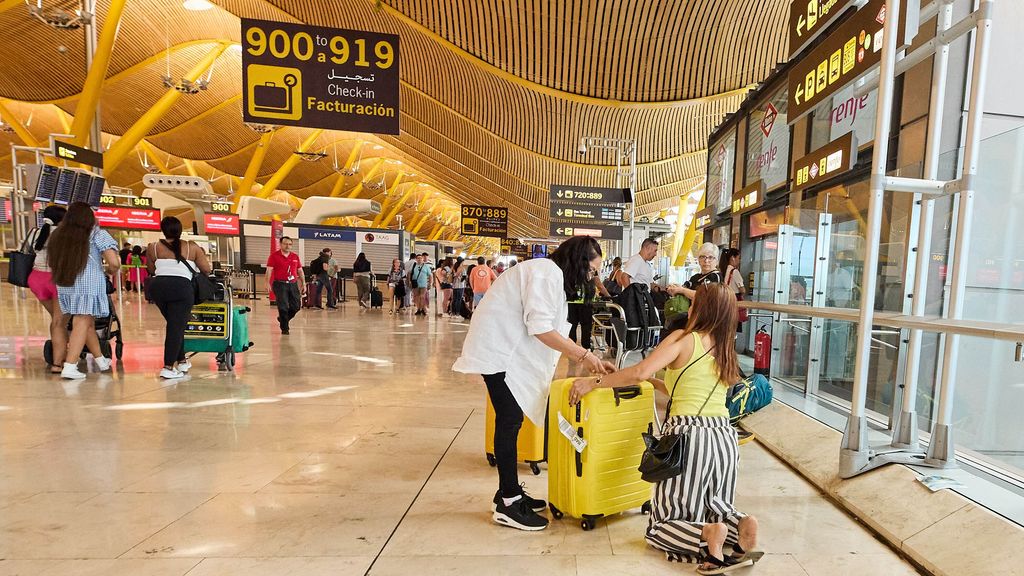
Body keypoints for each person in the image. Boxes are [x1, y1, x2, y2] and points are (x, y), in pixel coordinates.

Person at [569, 284, 761, 572]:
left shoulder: (683, 339)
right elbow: (678, 388)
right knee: (714, 505)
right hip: (723, 438)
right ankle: (740, 524)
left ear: (700, 308)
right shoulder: (725, 349)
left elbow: (639, 371)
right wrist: (646, 382)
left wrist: (591, 382)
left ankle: (707, 535)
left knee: (661, 524)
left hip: (689, 436)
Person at [453, 235, 615, 532]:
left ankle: (507, 491)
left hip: (506, 351)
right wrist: (586, 356)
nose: (592, 278)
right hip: (499, 352)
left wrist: (583, 357)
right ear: (578, 262)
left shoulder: (549, 275)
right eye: (592, 271)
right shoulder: (545, 273)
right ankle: (509, 502)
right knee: (510, 419)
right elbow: (540, 327)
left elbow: (550, 328)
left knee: (511, 419)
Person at [46, 202, 119, 380]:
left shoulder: (58, 234)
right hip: (88, 285)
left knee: (86, 323)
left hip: (66, 284)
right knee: (82, 321)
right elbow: (114, 263)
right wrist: (110, 271)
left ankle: (101, 360)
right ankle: (70, 366)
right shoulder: (97, 234)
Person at [146, 217, 213, 379]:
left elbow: (151, 269)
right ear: (180, 229)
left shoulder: (153, 247)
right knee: (175, 328)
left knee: (176, 324)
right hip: (181, 288)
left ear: (163, 230)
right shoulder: (192, 247)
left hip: (158, 288)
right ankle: (168, 367)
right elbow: (206, 269)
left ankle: (182, 361)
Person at [25, 205, 68, 374]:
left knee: (56, 320)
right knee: (60, 322)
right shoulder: (65, 235)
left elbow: (27, 250)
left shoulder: (35, 232)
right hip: (57, 279)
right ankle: (58, 363)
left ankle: (60, 351)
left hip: (36, 279)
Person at [664, 243, 724, 333]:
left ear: (716, 261)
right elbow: (684, 288)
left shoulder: (715, 277)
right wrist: (674, 289)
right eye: (702, 257)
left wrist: (682, 290)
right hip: (690, 317)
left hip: (706, 320)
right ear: (698, 259)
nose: (706, 261)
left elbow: (703, 296)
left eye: (711, 257)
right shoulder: (696, 277)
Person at [266, 236, 305, 335]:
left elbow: (300, 271)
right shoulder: (274, 256)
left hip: (293, 284)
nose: (288, 246)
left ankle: (283, 319)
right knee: (282, 307)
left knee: (296, 306)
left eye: (290, 244)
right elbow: (269, 270)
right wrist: (267, 282)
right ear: (281, 244)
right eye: (285, 244)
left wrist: (303, 283)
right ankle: (285, 328)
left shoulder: (295, 257)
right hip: (280, 284)